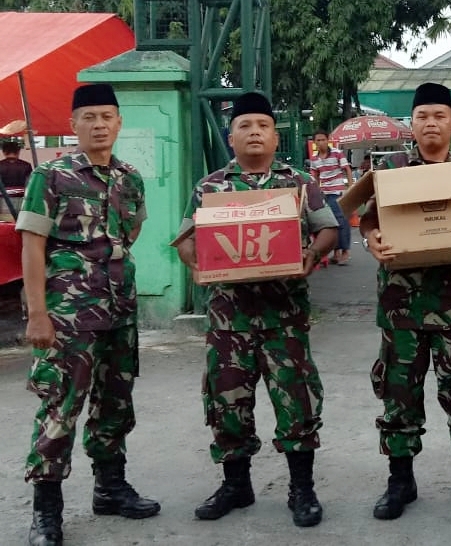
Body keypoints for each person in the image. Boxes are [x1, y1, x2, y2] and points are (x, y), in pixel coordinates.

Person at [174, 91, 339, 528]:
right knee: (227, 401)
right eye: (244, 126)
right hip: (229, 319)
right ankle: (236, 485)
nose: (254, 133)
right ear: (231, 138)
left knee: (297, 402)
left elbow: (327, 229)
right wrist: (196, 266)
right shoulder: (210, 188)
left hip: (285, 316)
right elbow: (186, 240)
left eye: (263, 126)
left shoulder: (298, 182)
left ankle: (302, 488)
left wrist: (312, 255)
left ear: (275, 136)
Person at [16, 83, 159, 546]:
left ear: (119, 122)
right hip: (67, 316)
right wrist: (38, 313)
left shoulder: (129, 177)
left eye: (107, 117)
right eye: (89, 117)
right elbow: (31, 245)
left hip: (119, 309)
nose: (99, 125)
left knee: (115, 402)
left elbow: (131, 233)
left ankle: (110, 489)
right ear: (74, 124)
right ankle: (46, 511)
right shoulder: (52, 176)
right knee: (60, 406)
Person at [360, 82, 451, 522]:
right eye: (422, 116)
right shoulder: (391, 170)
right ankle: (400, 482)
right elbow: (368, 220)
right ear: (412, 123)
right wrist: (371, 239)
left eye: (439, 116)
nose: (431, 124)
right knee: (398, 396)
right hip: (401, 308)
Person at [309, 129, 354, 265]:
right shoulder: (314, 159)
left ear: (327, 140)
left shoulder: (337, 153)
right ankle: (336, 253)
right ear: (314, 142)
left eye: (323, 139)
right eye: (318, 140)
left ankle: (345, 252)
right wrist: (315, 192)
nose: (321, 142)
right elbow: (315, 176)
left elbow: (347, 169)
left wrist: (350, 188)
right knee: (330, 223)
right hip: (324, 194)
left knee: (341, 220)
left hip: (337, 191)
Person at [1, 138, 33, 215]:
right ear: (18, 151)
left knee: (5, 220)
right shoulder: (26, 165)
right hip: (22, 199)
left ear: (4, 152)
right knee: (20, 220)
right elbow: (30, 184)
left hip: (2, 199)